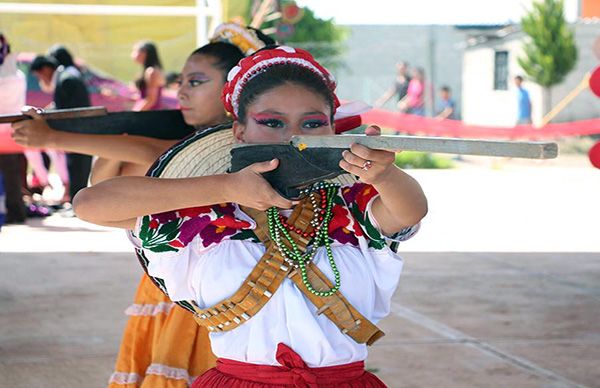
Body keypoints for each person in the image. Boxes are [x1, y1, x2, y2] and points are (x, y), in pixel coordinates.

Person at [73, 46, 428, 387]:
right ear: (239, 132)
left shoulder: (352, 207)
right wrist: (226, 188)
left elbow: (410, 210)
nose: (294, 136)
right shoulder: (206, 218)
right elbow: (90, 204)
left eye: (313, 123)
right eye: (272, 122)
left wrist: (384, 175)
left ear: (332, 131)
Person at [12, 24, 274, 387]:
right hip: (166, 286)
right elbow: (102, 190)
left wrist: (57, 136)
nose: (181, 91)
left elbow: (150, 153)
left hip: (216, 291)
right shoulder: (170, 137)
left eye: (196, 82)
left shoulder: (228, 148)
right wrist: (104, 136)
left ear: (236, 91)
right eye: (180, 81)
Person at [29, 48, 92, 203]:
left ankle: (77, 203)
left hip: (77, 131)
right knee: (75, 168)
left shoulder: (66, 79)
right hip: (78, 131)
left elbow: (67, 110)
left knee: (77, 168)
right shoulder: (68, 76)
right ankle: (75, 202)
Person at [0, 33, 27, 224]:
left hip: (4, 129)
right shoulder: (19, 77)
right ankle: (15, 210)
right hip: (12, 131)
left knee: (10, 174)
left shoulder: (7, 78)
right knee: (12, 173)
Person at [131, 41, 166, 111]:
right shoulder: (149, 70)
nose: (132, 54)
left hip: (149, 113)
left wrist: (135, 113)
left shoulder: (152, 72)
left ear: (145, 53)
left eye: (135, 51)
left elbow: (151, 100)